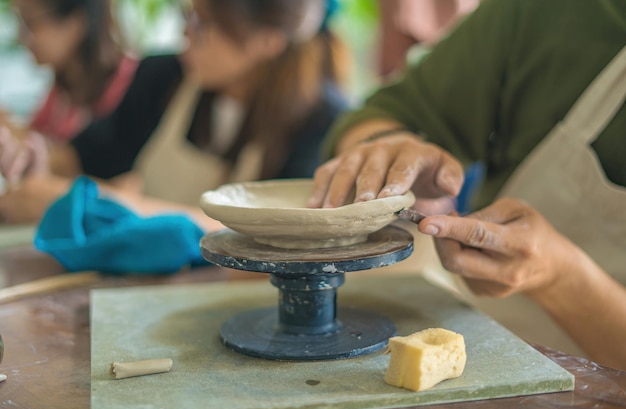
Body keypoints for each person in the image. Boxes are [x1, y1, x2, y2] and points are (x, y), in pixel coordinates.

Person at [308, 0, 626, 370]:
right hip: (484, 349)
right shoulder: (554, 12)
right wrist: (387, 146)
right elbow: (381, 115)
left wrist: (561, 279)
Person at [0, 0, 350, 230]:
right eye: (187, 17)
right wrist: (30, 154)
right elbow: (86, 156)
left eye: (201, 23)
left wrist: (97, 204)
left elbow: (275, 237)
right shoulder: (163, 78)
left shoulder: (321, 121)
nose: (185, 33)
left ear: (266, 41)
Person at [7, 0, 138, 143]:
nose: (21, 38)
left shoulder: (132, 84)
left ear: (75, 21)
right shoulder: (60, 96)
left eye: (29, 22)